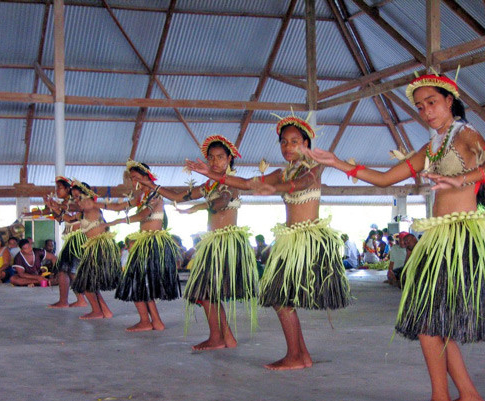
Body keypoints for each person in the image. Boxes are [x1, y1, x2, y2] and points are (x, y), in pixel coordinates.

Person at [304, 73, 485, 401]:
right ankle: (468, 396)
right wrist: (337, 163)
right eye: (420, 106)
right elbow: (385, 178)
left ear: (449, 101)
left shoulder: (465, 133)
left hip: (462, 240)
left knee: (428, 323)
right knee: (435, 322)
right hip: (440, 239)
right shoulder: (432, 147)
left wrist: (461, 178)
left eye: (432, 102)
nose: (426, 111)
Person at [186, 118, 351, 369]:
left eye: (295, 141)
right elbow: (246, 183)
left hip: (308, 241)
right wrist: (210, 174)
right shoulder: (281, 172)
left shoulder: (314, 166)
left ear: (306, 143)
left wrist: (277, 188)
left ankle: (296, 355)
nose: (288, 146)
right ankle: (300, 355)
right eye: (284, 142)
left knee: (280, 298)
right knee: (280, 298)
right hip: (290, 240)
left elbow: (303, 183)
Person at [153, 135, 259, 350]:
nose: (215, 162)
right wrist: (152, 186)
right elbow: (179, 196)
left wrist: (199, 207)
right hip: (213, 243)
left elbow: (221, 203)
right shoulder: (208, 185)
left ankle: (218, 338)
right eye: (211, 158)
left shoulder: (232, 182)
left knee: (205, 292)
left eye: (220, 157)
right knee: (208, 292)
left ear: (230, 158)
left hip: (225, 244)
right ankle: (225, 337)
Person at [104, 161, 180, 332]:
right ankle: (152, 321)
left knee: (138, 281)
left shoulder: (154, 195)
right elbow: (119, 206)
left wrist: (120, 221)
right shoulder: (141, 196)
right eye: (132, 178)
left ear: (147, 177)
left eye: (137, 177)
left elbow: (144, 214)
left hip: (151, 243)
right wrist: (98, 204)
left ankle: (150, 321)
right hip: (143, 242)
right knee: (139, 282)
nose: (134, 181)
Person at [70, 181, 120, 320]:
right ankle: (104, 311)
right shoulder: (83, 212)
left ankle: (97, 311)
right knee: (89, 282)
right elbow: (68, 217)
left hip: (99, 248)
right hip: (93, 248)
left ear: (87, 195)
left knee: (85, 282)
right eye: (74, 198)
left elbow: (72, 209)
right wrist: (55, 208)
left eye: (78, 197)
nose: (76, 201)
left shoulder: (91, 207)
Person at [44, 176, 88, 308]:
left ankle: (76, 300)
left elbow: (70, 215)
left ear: (68, 189)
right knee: (66, 271)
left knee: (69, 271)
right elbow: (61, 219)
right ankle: (73, 300)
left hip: (77, 239)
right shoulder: (67, 203)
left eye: (60, 188)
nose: (57, 191)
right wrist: (53, 207)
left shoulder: (76, 202)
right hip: (71, 239)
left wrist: (56, 206)